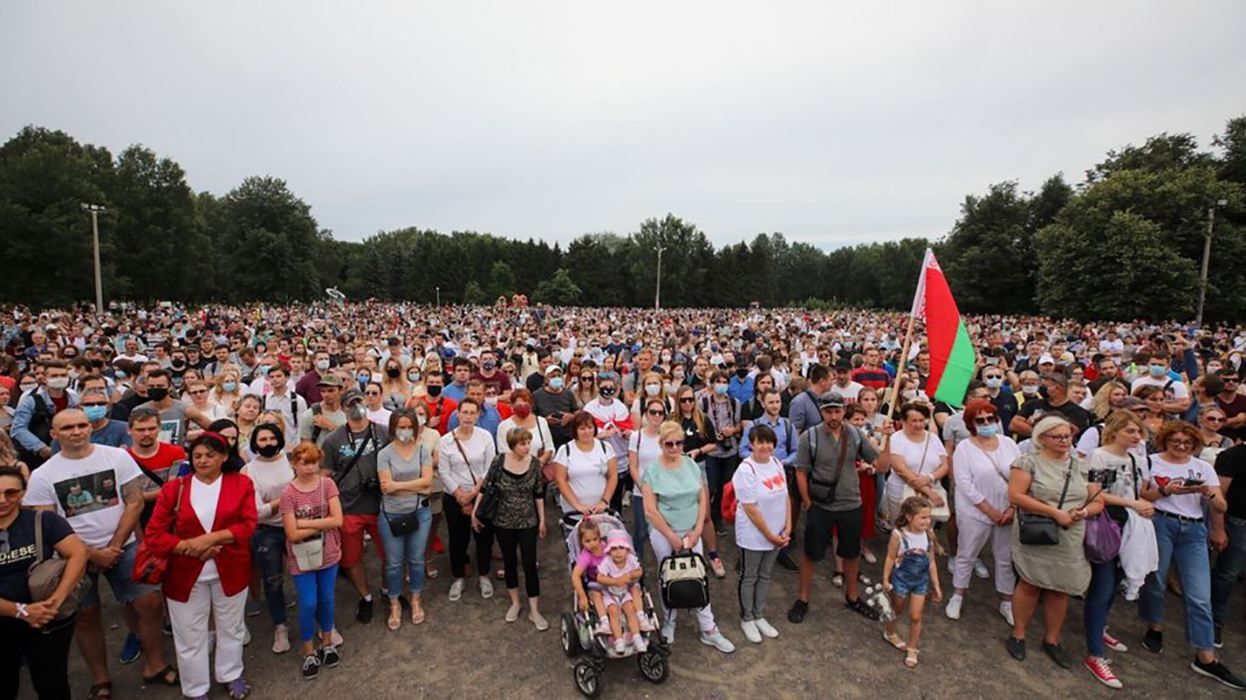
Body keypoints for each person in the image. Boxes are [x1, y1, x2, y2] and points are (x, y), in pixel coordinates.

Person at [24, 409, 177, 698]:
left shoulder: (116, 457)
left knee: (150, 602)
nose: (77, 431)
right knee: (86, 615)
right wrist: (91, 554)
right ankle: (101, 679)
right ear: (54, 434)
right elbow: (44, 525)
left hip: (124, 545)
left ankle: (155, 664)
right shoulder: (43, 476)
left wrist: (116, 546)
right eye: (68, 427)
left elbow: (133, 503)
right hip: (73, 558)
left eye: (82, 425)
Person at [144, 432, 257, 700]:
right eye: (197, 456)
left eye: (209, 455)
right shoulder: (175, 488)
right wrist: (188, 547)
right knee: (189, 634)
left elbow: (248, 523)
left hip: (231, 568)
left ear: (224, 457)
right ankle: (196, 688)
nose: (203, 461)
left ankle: (230, 673)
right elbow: (154, 534)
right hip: (185, 572)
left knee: (231, 627)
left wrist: (211, 539)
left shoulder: (240, 483)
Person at [1139, 421, 1244, 689]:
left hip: (1194, 529)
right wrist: (1166, 491)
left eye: (1187, 443)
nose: (1182, 447)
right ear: (1165, 441)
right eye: (1175, 441)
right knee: (1157, 580)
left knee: (1199, 593)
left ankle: (1205, 655)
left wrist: (1207, 492)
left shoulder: (1203, 467)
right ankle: (1155, 626)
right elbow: (1142, 496)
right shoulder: (1150, 462)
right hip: (1161, 523)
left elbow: (1221, 505)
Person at [1006, 416, 1102, 670]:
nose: (1064, 441)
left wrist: (1085, 512)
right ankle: (1018, 633)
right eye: (1057, 436)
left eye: (1067, 436)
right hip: (1038, 529)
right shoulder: (1028, 462)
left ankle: (1052, 639)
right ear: (1042, 438)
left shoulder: (1082, 465)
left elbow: (1097, 500)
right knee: (1030, 582)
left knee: (1060, 587)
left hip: (1070, 532)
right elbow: (1016, 495)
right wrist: (1054, 512)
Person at [788, 392, 882, 624]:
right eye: (828, 411)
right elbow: (801, 471)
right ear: (821, 412)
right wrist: (808, 502)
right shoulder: (810, 437)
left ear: (843, 411)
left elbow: (881, 464)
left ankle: (852, 596)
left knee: (851, 554)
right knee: (811, 554)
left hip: (851, 503)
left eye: (837, 411)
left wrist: (887, 442)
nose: (833, 416)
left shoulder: (856, 434)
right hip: (821, 505)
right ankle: (803, 598)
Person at [642, 421, 735, 653]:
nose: (674, 447)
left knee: (698, 575)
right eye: (669, 444)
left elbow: (702, 498)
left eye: (678, 443)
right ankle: (669, 621)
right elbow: (650, 510)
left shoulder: (691, 465)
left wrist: (695, 531)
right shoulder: (652, 471)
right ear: (661, 444)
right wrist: (671, 536)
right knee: (668, 576)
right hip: (665, 533)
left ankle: (708, 628)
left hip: (692, 530)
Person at [1081, 410, 1156, 688]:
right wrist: (1133, 504)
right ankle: (1094, 654)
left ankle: (1099, 629)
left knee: (1115, 583)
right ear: (1114, 431)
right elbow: (1095, 491)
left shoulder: (1135, 458)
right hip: (1108, 522)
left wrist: (1143, 504)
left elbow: (1138, 491)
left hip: (1130, 524)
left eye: (1138, 432)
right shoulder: (1100, 455)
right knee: (1103, 584)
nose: (1137, 437)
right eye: (1131, 431)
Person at [0, 465, 88, 700]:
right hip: (5, 618)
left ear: (23, 493)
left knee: (52, 682)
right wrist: (21, 611)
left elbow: (78, 554)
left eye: (11, 493)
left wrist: (55, 601)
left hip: (48, 619)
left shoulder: (43, 520)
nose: (3, 500)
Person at [946, 399, 1019, 625]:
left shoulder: (1009, 444)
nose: (987, 423)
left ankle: (1007, 601)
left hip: (1008, 511)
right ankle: (958, 594)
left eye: (991, 419)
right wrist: (990, 511)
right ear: (971, 424)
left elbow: (1020, 474)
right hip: (974, 512)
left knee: (1005, 558)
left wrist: (1012, 508)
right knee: (967, 553)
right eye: (981, 420)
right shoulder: (964, 450)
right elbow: (965, 484)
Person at [320, 387, 388, 624]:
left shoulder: (384, 432)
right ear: (343, 408)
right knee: (352, 558)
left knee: (389, 554)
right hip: (348, 507)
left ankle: (388, 592)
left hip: (381, 506)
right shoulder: (333, 439)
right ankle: (365, 597)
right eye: (350, 404)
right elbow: (325, 475)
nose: (356, 406)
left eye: (359, 401)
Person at [280, 442, 344, 682]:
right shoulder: (288, 493)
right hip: (301, 557)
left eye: (314, 462)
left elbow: (337, 520)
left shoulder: (327, 484)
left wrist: (303, 523)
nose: (310, 467)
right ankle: (309, 650)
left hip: (328, 552)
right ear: (295, 464)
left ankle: (327, 642)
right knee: (308, 602)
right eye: (304, 462)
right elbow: (291, 534)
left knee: (327, 598)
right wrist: (321, 522)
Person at [473, 427, 548, 630]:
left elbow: (538, 494)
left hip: (528, 521)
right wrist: (475, 512)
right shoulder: (499, 461)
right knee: (509, 562)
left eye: (528, 442)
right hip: (503, 521)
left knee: (530, 563)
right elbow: (485, 487)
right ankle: (515, 602)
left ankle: (534, 609)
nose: (527, 447)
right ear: (512, 444)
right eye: (523, 443)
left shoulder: (534, 464)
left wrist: (542, 519)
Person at [376, 409, 435, 630]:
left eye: (409, 426)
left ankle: (416, 599)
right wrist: (416, 484)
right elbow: (385, 487)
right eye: (401, 426)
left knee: (417, 559)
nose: (405, 430)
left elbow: (428, 482)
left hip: (420, 511)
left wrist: (398, 486)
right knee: (393, 563)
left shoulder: (423, 450)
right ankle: (394, 603)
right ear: (393, 428)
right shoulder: (384, 454)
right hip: (391, 513)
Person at [733, 424, 791, 644]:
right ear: (752, 444)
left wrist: (788, 527)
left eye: (769, 442)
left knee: (766, 575)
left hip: (777, 534)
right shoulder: (746, 470)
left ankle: (759, 614)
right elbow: (750, 508)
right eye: (761, 442)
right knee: (750, 576)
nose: (766, 446)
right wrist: (770, 535)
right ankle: (747, 617)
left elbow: (785, 496)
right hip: (754, 535)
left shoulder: (777, 463)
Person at [240, 423, 295, 654]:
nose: (268, 443)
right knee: (272, 580)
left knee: (310, 570)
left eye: (272, 438)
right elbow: (257, 511)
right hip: (267, 530)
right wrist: (288, 498)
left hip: (297, 524)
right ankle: (279, 625)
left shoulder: (291, 460)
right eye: (262, 440)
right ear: (254, 443)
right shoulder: (249, 470)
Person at [438, 397, 498, 601]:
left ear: (478, 415)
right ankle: (458, 577)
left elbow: (490, 467)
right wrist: (459, 495)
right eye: (465, 412)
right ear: (457, 414)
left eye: (473, 413)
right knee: (457, 539)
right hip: (454, 497)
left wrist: (473, 494)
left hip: (481, 495)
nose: (468, 417)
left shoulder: (485, 437)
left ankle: (484, 575)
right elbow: (444, 472)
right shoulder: (445, 440)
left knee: (484, 538)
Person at [882, 496, 943, 668]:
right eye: (923, 517)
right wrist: (886, 578)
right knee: (897, 609)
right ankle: (890, 632)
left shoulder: (929, 535)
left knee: (916, 616)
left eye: (929, 517)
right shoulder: (899, 535)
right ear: (909, 517)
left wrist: (936, 585)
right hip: (901, 579)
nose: (927, 521)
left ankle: (913, 647)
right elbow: (890, 557)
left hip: (920, 581)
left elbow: (931, 561)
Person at [883, 402, 948, 525]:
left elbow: (944, 465)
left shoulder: (933, 438)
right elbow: (901, 469)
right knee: (902, 528)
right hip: (903, 491)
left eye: (921, 420)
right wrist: (927, 491)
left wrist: (930, 477)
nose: (918, 424)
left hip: (932, 489)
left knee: (926, 530)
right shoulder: (896, 438)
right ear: (904, 421)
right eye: (914, 420)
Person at [699, 370, 743, 538]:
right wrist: (711, 434)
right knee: (710, 487)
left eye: (724, 381)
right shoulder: (704, 402)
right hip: (711, 451)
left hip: (730, 449)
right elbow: (699, 423)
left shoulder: (734, 402)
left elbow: (738, 424)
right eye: (718, 381)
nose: (721, 384)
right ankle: (704, 517)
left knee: (725, 486)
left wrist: (733, 430)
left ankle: (717, 517)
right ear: (712, 383)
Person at [12, 359, 79, 468]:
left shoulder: (74, 398)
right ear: (44, 378)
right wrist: (41, 448)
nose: (59, 379)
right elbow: (18, 429)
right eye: (54, 376)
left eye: (63, 375)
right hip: (41, 455)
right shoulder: (30, 400)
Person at [551, 411, 618, 519]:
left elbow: (613, 476)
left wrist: (604, 501)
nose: (586, 432)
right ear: (575, 430)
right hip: (574, 512)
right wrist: (577, 505)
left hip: (600, 510)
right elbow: (560, 480)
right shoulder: (565, 450)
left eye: (590, 427)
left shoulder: (606, 448)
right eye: (582, 428)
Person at [1212, 441, 1246, 650]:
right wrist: (1218, 528)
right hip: (1237, 521)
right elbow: (1219, 494)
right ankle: (1214, 622)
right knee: (1227, 574)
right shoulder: (1232, 455)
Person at [627, 398, 667, 565]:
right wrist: (643, 487)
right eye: (653, 412)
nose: (657, 416)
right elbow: (633, 466)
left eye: (660, 412)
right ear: (646, 414)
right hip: (641, 492)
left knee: (663, 530)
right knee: (641, 531)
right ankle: (637, 565)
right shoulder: (636, 437)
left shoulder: (667, 437)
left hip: (664, 493)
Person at [596, 531, 649, 653]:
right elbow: (600, 577)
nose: (618, 551)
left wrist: (629, 574)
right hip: (610, 593)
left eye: (621, 548)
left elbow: (639, 571)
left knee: (630, 609)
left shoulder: (630, 559)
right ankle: (618, 640)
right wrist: (614, 581)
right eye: (614, 548)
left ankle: (637, 637)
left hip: (625, 592)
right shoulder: (607, 562)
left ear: (627, 550)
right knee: (613, 611)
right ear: (609, 551)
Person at [533, 365, 578, 448]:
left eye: (559, 376)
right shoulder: (537, 395)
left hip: (568, 437)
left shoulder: (568, 393)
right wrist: (544, 420)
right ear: (546, 379)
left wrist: (571, 417)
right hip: (546, 437)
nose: (556, 378)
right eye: (553, 376)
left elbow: (577, 412)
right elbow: (532, 416)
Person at [298, 374, 346, 448]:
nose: (326, 395)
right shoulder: (311, 415)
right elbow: (305, 447)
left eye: (331, 390)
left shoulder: (349, 412)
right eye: (323, 391)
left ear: (341, 390)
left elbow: (355, 439)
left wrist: (331, 427)